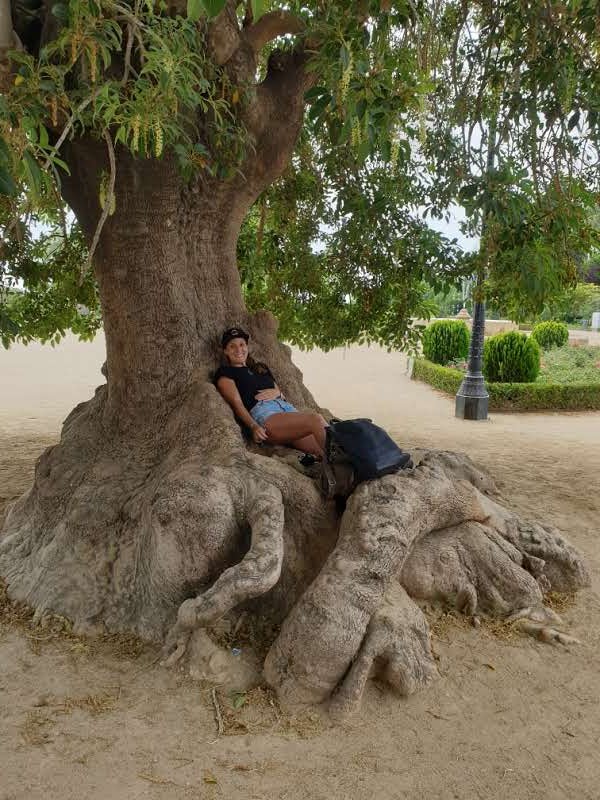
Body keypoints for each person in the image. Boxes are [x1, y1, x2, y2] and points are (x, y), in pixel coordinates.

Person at [214, 327, 328, 458]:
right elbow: (237, 404)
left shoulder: (260, 368)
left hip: (288, 410)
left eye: (241, 344)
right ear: (226, 351)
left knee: (325, 448)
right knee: (316, 419)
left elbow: (280, 393)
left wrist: (278, 393)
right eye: (232, 346)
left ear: (247, 346)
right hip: (266, 415)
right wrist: (254, 427)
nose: (238, 349)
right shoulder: (226, 373)